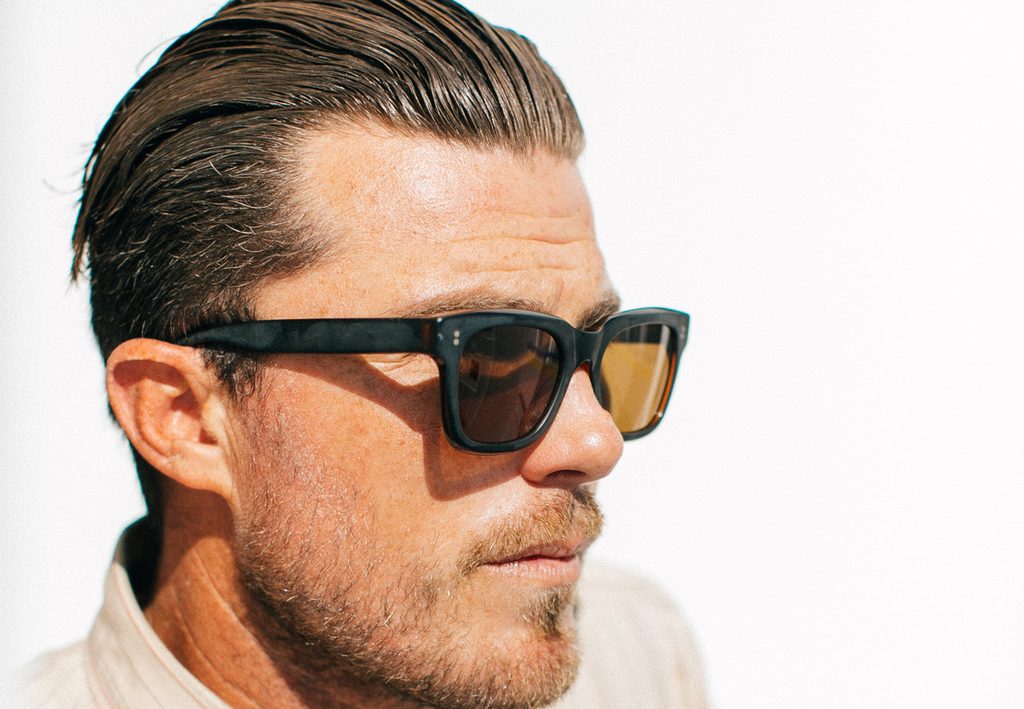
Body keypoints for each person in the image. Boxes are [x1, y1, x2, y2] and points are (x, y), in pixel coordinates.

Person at [22, 1, 708, 707]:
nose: (595, 441)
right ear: (185, 415)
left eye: (603, 348)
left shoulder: (636, 658)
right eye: (488, 360)